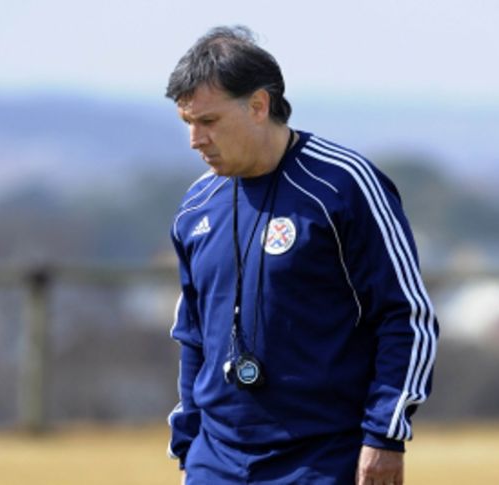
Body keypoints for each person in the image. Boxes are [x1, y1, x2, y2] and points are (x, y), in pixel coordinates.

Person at [165, 25, 439, 485]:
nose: (195, 139)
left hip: (322, 460)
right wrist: (188, 446)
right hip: (216, 461)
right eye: (187, 123)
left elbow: (406, 316)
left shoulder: (344, 186)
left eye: (208, 121)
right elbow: (193, 335)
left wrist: (385, 435)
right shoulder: (195, 207)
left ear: (258, 105)